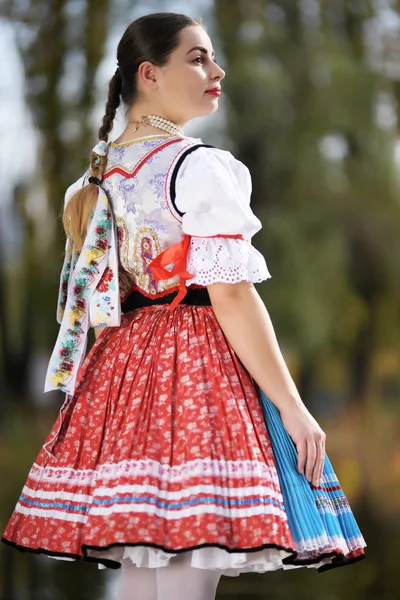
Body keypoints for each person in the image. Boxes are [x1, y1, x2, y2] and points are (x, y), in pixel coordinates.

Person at [1, 12, 366, 600]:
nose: (216, 71)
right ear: (149, 73)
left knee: (147, 577)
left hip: (123, 378)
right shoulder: (198, 168)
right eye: (198, 58)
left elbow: (101, 306)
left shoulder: (94, 180)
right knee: (186, 577)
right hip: (195, 375)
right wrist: (294, 409)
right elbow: (231, 291)